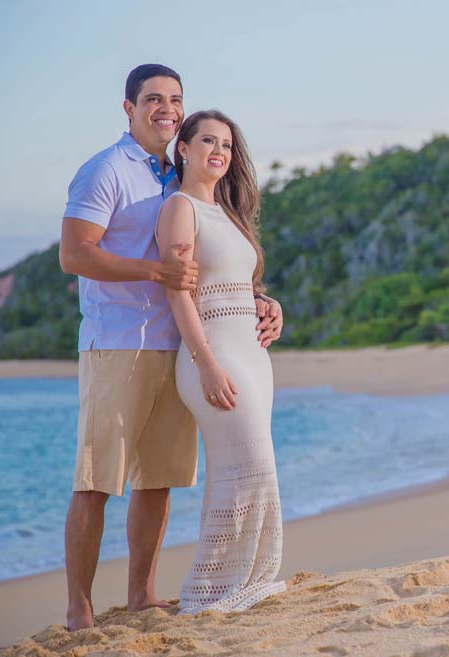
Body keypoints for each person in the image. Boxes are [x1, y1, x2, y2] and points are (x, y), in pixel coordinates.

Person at [58, 64, 284, 630]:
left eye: (175, 99)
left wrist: (259, 300)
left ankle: (142, 595)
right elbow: (74, 255)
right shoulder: (105, 171)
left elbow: (210, 267)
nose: (166, 107)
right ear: (128, 107)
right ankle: (80, 607)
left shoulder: (170, 176)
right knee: (97, 479)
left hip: (177, 343)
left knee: (157, 478)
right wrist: (152, 270)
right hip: (118, 344)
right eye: (154, 99)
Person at [155, 110, 285, 613]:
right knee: (246, 465)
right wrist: (205, 361)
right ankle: (211, 589)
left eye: (227, 145)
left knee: (253, 465)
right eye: (207, 140)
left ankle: (246, 578)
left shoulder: (229, 212)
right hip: (212, 353)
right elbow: (178, 291)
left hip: (252, 355)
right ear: (183, 148)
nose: (219, 151)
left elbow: (238, 284)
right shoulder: (179, 208)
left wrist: (269, 304)